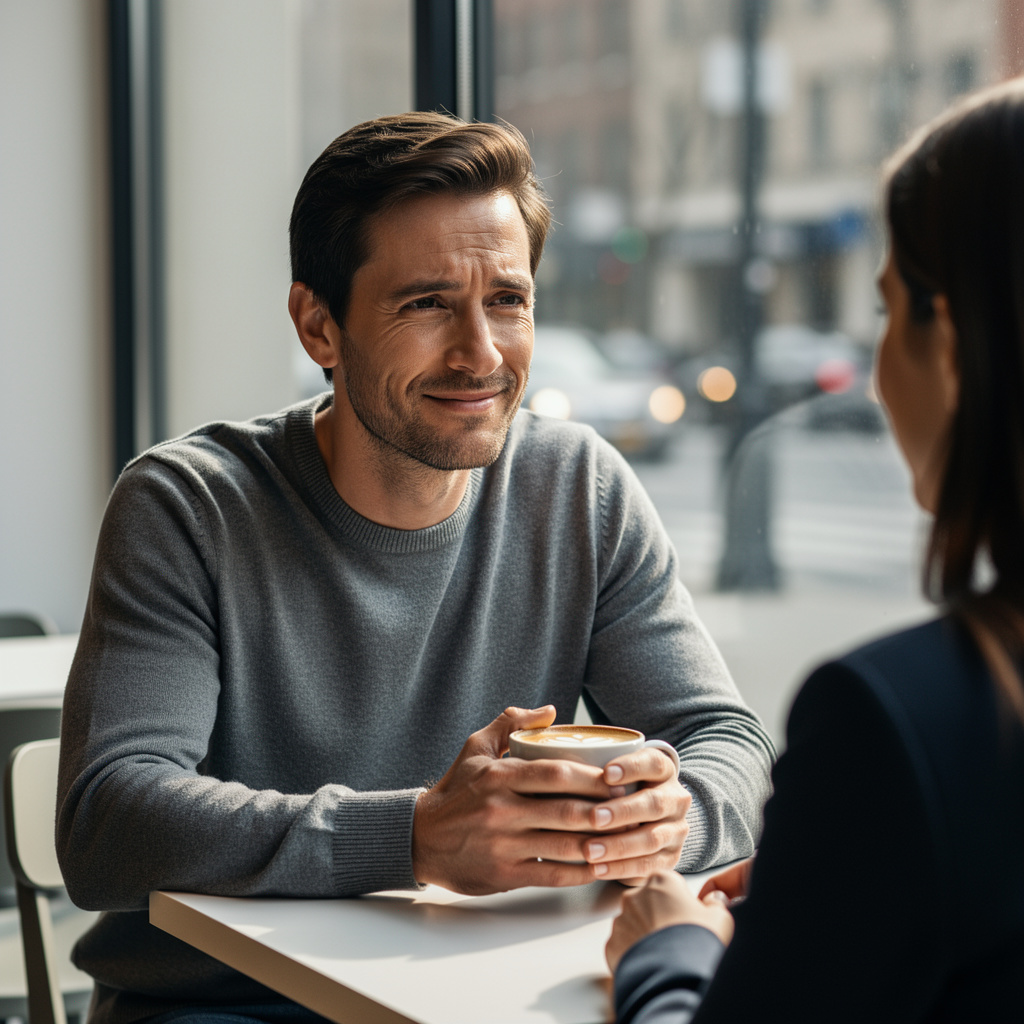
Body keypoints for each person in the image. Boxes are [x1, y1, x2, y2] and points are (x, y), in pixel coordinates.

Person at [56, 112, 775, 1024]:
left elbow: (727, 740)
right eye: (427, 304)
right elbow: (108, 822)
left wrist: (663, 815)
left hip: (482, 993)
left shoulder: (577, 485)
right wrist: (414, 837)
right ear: (319, 325)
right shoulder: (188, 505)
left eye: (507, 300)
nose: (482, 353)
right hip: (226, 1005)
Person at [605, 79, 1024, 1023]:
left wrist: (667, 952)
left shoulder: (897, 723)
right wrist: (829, 881)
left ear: (948, 345)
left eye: (886, 314)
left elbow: (725, 738)